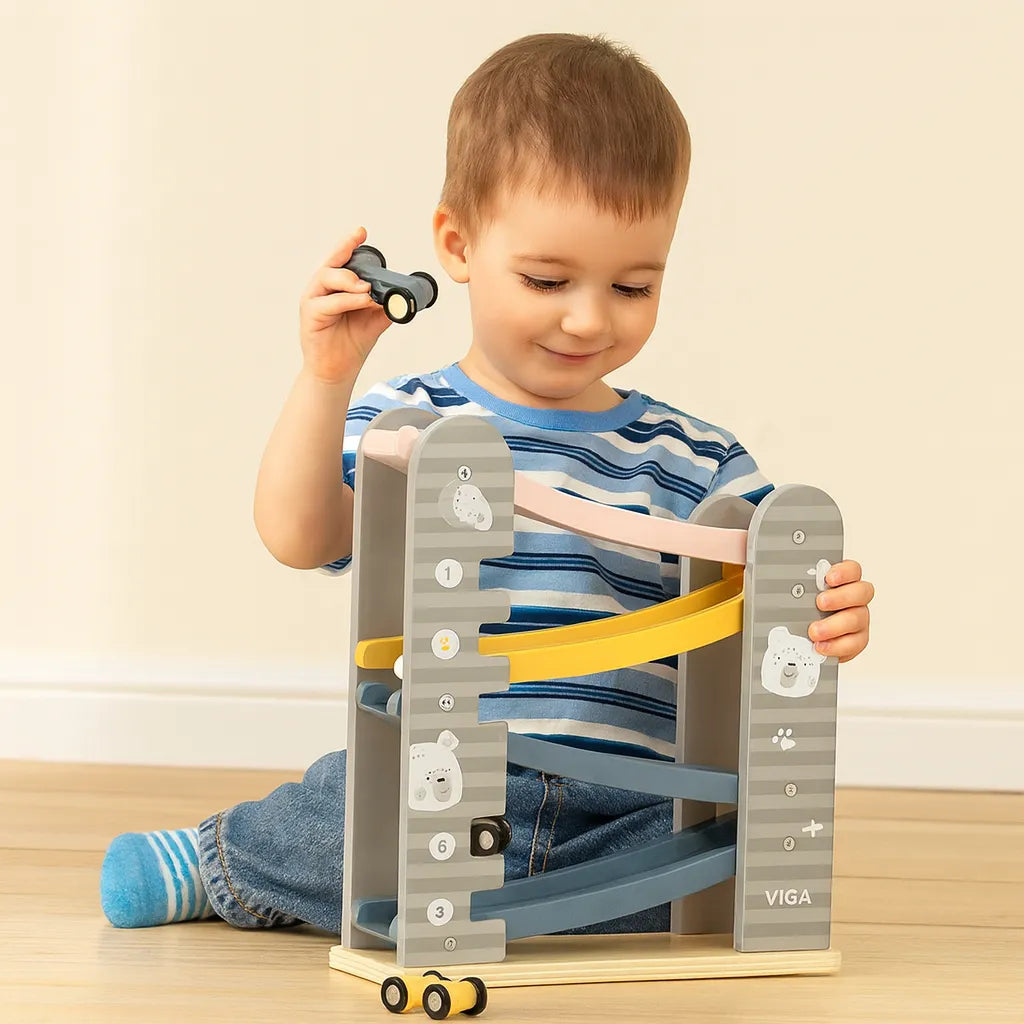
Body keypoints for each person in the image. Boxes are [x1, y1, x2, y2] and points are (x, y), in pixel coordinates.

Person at [100, 32, 874, 934]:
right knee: (353, 808)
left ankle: (521, 905)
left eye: (633, 287)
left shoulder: (697, 458)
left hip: (626, 802)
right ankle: (228, 861)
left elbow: (776, 600)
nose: (588, 319)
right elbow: (300, 536)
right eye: (548, 279)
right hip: (441, 779)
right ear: (457, 244)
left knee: (726, 845)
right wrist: (325, 378)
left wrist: (829, 611)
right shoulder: (409, 424)